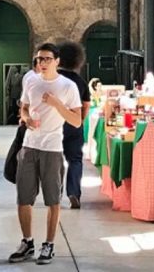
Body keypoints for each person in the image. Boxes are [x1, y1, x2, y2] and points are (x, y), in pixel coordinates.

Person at [8, 43, 81, 265]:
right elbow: (24, 106)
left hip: (52, 147)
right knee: (23, 198)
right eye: (39, 59)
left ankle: (49, 244)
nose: (42, 63)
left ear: (57, 61)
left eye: (47, 59)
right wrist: (26, 118)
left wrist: (57, 103)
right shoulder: (30, 80)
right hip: (30, 146)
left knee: (52, 199)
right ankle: (27, 241)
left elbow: (76, 121)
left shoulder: (68, 86)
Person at [56, 41, 91, 209]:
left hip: (54, 125)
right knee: (75, 160)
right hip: (73, 125)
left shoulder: (53, 80)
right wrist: (80, 122)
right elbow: (86, 106)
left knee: (54, 161)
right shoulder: (80, 82)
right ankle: (74, 192)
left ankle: (55, 193)